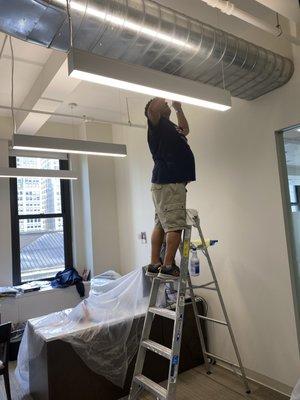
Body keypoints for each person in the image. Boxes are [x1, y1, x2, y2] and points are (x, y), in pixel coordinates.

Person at [145, 98, 196, 279]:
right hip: (170, 183)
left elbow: (186, 130)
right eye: (163, 104)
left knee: (161, 223)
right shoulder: (156, 125)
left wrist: (178, 108)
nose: (166, 103)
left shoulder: (170, 125)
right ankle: (167, 266)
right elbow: (151, 112)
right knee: (174, 226)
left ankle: (154, 264)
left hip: (166, 184)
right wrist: (158, 95)